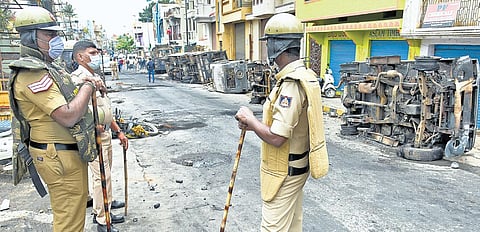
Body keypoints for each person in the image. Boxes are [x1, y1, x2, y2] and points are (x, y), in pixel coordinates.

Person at [8, 6, 105, 232]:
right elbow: (68, 115)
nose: (56, 39)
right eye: (49, 34)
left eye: (56, 34)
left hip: (64, 152)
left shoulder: (47, 68)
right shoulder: (32, 72)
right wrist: (89, 86)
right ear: (31, 37)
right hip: (58, 155)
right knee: (69, 219)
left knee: (73, 210)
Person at [234, 13, 329, 231]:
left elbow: (277, 137)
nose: (268, 49)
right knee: (292, 225)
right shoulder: (305, 75)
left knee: (273, 228)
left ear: (278, 46)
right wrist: (253, 124)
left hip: (284, 172)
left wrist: (250, 119)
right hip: (296, 167)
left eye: (269, 43)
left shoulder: (291, 85)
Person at [71, 40, 129, 232]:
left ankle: (107, 206)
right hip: (93, 137)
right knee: (101, 178)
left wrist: (118, 131)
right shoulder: (77, 79)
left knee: (107, 175)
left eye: (97, 53)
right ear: (80, 56)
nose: (96, 56)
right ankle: (102, 219)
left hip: (105, 134)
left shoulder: (96, 76)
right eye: (92, 53)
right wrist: (92, 127)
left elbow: (105, 109)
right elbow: (76, 112)